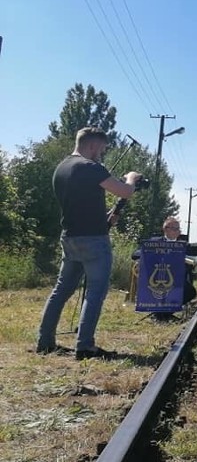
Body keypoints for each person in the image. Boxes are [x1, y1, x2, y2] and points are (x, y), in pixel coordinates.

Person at [36, 126, 142, 360]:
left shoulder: (61, 168)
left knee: (61, 290)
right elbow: (125, 191)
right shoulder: (90, 167)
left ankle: (45, 342)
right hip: (94, 241)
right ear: (93, 145)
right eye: (102, 149)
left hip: (70, 237)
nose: (102, 154)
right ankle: (85, 346)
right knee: (95, 293)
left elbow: (81, 204)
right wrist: (131, 178)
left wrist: (106, 217)